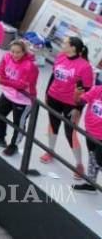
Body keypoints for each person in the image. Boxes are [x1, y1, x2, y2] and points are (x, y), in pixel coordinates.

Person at [42, 37, 92, 173]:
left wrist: (78, 108)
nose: (62, 44)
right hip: (54, 98)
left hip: (72, 104)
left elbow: (86, 91)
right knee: (53, 125)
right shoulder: (60, 56)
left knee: (70, 133)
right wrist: (47, 93)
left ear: (73, 48)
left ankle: (79, 164)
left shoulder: (85, 67)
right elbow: (53, 76)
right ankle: (50, 151)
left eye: (65, 43)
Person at [0, 40, 38, 157]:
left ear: (24, 52)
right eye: (12, 51)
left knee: (18, 124)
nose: (14, 54)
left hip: (23, 100)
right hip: (8, 93)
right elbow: (1, 70)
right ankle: (0, 137)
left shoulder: (30, 66)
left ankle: (13, 145)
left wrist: (1, 81)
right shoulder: (7, 56)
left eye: (18, 52)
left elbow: (22, 85)